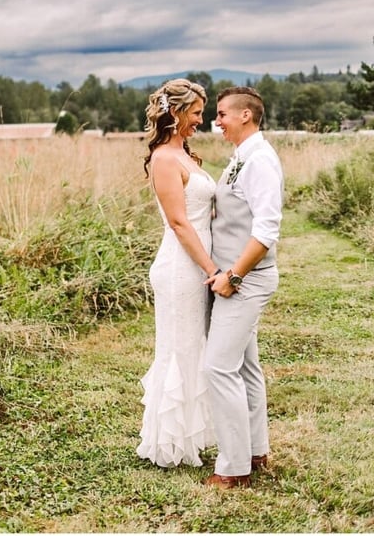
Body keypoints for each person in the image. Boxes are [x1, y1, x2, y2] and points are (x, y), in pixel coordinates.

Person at [201, 86, 283, 489]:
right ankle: (256, 451)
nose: (216, 121)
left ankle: (233, 468)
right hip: (234, 278)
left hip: (246, 281)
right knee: (246, 367)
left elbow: (267, 230)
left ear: (246, 115)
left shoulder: (261, 162)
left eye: (221, 114)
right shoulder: (242, 157)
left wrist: (233, 276)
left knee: (217, 366)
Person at [136, 78, 220, 468]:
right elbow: (178, 222)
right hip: (180, 268)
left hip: (196, 264)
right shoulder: (164, 159)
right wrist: (212, 269)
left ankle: (191, 436)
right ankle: (168, 444)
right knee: (179, 349)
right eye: (197, 113)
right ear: (175, 112)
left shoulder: (184, 155)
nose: (201, 121)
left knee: (194, 348)